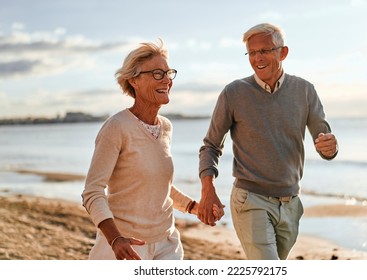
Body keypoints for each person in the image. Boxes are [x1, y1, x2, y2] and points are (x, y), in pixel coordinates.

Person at [197, 23, 338, 260]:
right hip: (250, 199)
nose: (257, 58)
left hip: (291, 203)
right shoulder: (234, 93)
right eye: (252, 53)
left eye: (265, 50)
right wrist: (207, 189)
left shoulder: (304, 90)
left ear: (283, 53)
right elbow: (210, 145)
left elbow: (322, 137)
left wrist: (330, 147)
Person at [82, 39, 222, 260]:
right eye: (157, 73)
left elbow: (159, 185)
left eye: (169, 73)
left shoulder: (166, 127)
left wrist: (195, 207)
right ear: (133, 81)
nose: (166, 80)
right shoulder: (116, 127)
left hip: (167, 244)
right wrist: (115, 239)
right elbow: (92, 192)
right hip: (126, 246)